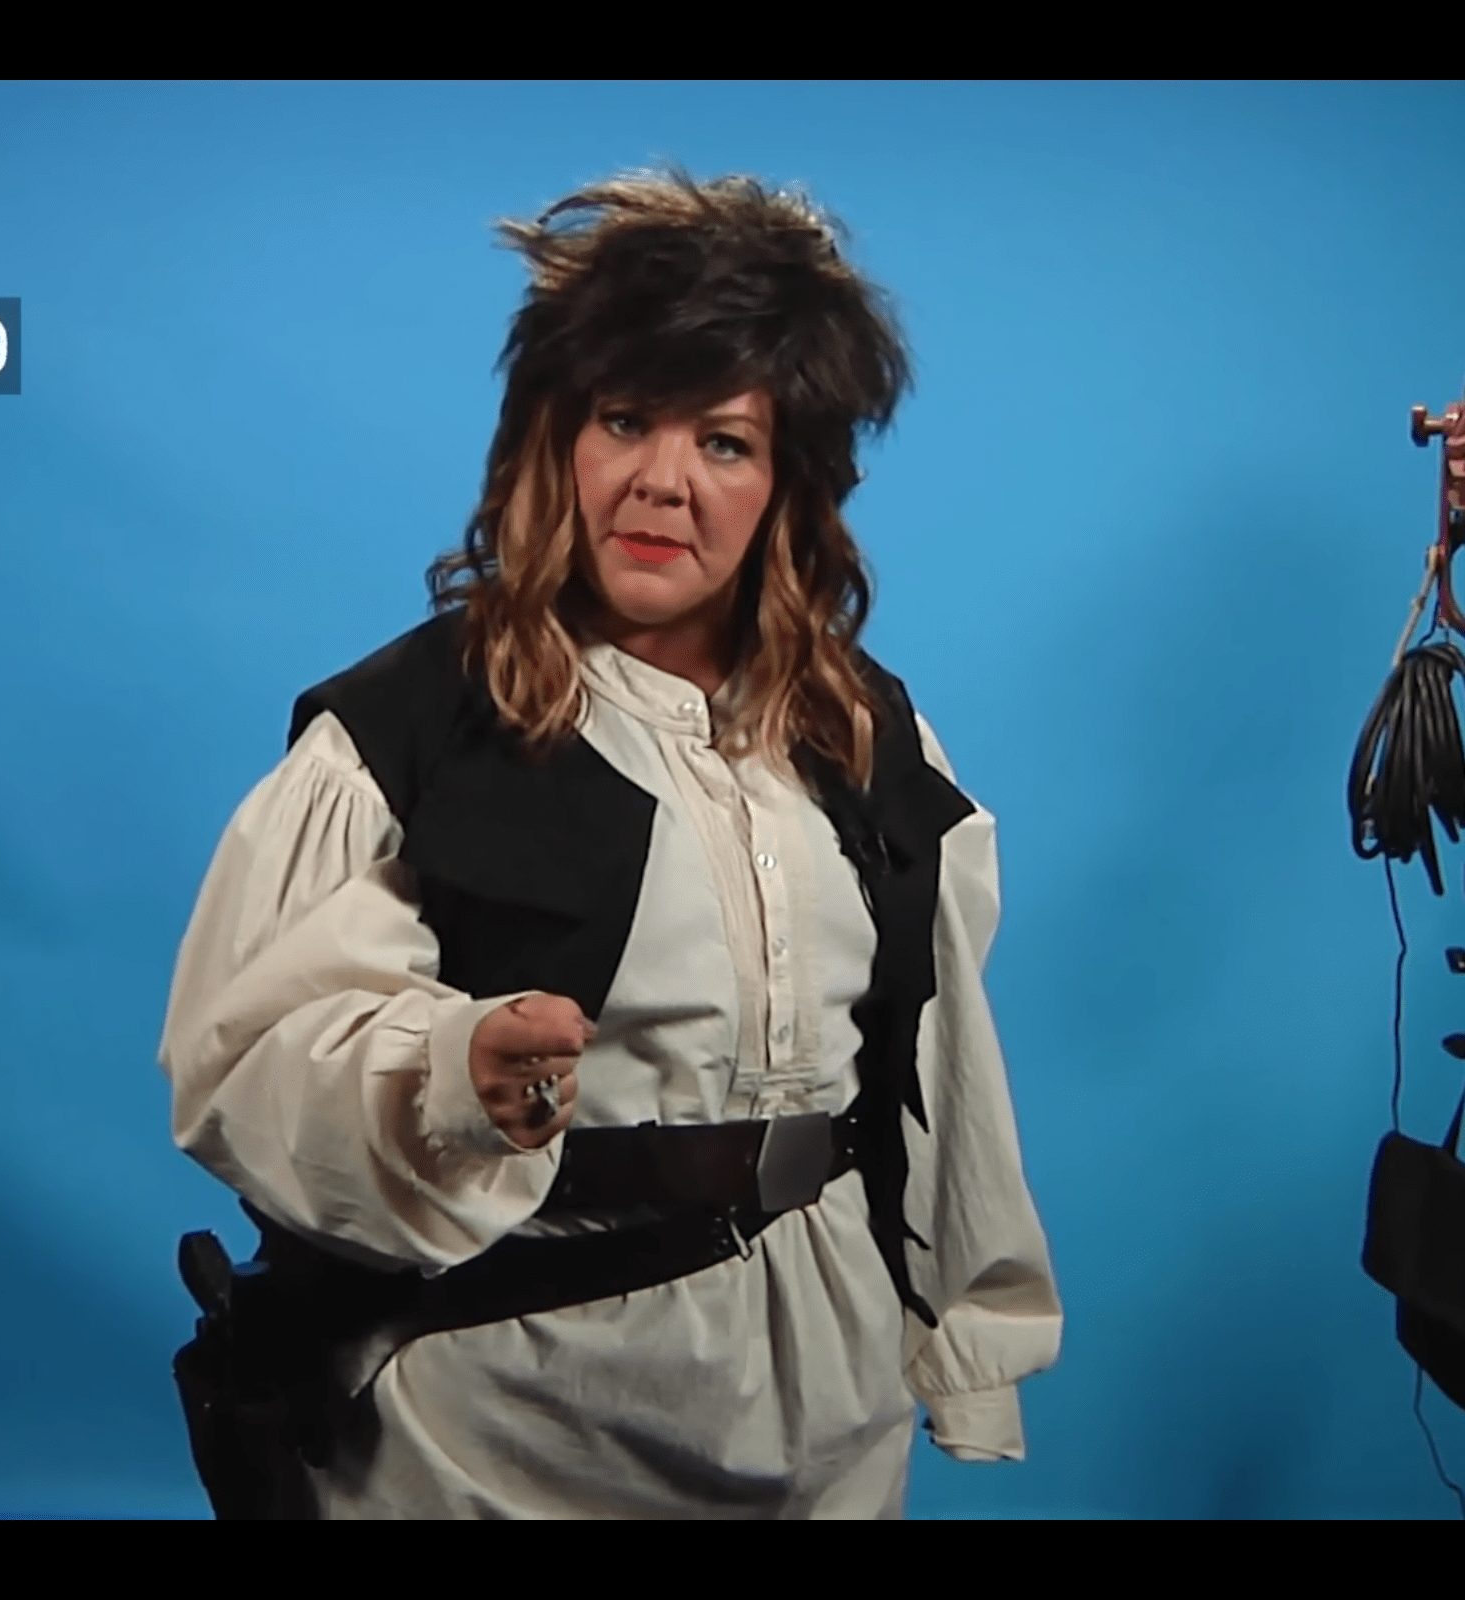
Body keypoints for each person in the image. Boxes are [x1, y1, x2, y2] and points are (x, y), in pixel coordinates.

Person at [157, 168, 1061, 1520]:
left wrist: (967, 1343)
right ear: (557, 440)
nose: (662, 483)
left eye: (725, 443)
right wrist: (453, 1070)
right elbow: (244, 1061)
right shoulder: (409, 732)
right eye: (626, 419)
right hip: (507, 1426)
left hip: (826, 1402)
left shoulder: (870, 736)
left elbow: (937, 1063)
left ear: (790, 483)